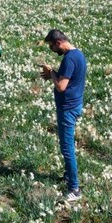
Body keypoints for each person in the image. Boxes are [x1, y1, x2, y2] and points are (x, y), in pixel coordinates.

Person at [40, 29, 87, 202]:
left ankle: (74, 189)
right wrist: (54, 74)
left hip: (67, 108)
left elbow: (61, 86)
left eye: (52, 46)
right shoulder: (79, 55)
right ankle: (68, 175)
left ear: (58, 43)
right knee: (67, 144)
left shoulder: (69, 59)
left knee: (67, 148)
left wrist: (52, 72)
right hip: (75, 103)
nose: (52, 50)